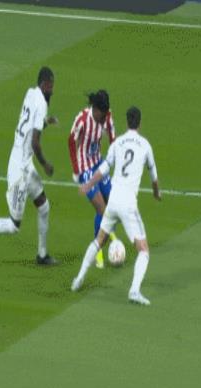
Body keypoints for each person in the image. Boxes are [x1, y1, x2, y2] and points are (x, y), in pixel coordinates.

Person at [0, 67, 58, 266]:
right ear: (45, 84)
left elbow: (31, 124)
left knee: (44, 206)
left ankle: (42, 255)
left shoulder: (30, 93)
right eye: (51, 86)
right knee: (14, 225)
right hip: (20, 169)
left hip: (24, 161)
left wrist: (46, 122)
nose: (52, 91)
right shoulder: (42, 103)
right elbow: (35, 142)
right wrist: (45, 164)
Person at [71, 106, 161, 305]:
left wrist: (88, 184)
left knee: (99, 241)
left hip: (113, 201)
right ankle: (134, 291)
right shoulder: (145, 145)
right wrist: (156, 192)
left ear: (127, 122)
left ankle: (79, 279)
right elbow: (153, 176)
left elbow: (103, 169)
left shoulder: (117, 143)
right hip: (128, 204)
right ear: (139, 122)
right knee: (144, 250)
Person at [68, 90, 118, 268]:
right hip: (85, 169)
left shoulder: (107, 116)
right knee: (102, 209)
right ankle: (99, 250)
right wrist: (76, 170)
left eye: (105, 116)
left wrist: (114, 164)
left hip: (99, 164)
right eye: (102, 116)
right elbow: (71, 141)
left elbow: (113, 141)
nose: (104, 119)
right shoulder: (82, 120)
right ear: (95, 109)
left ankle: (108, 237)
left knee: (112, 204)